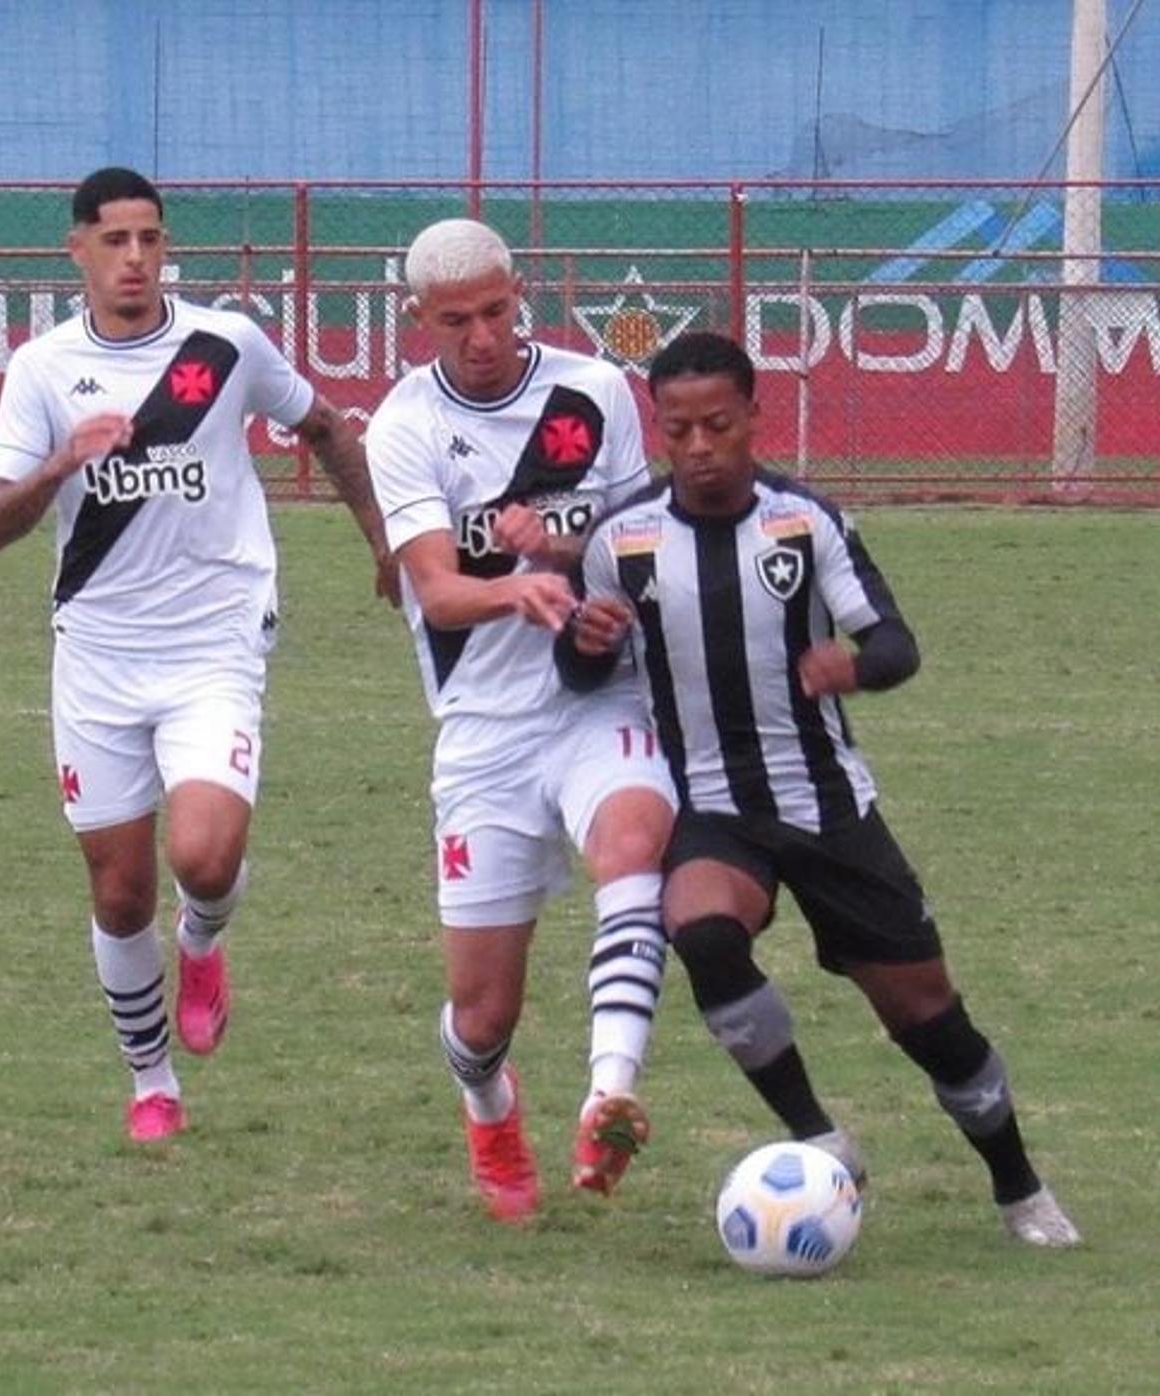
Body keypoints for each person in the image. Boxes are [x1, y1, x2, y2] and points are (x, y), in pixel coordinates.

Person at [558, 331, 1081, 1247]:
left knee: (929, 1020)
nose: (698, 446)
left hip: (830, 808)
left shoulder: (804, 522)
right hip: (717, 812)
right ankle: (817, 1134)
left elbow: (895, 643)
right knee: (703, 934)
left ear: (755, 417)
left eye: (718, 424)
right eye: (677, 428)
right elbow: (580, 678)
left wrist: (855, 666)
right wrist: (585, 641)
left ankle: (1020, 1187)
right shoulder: (622, 541)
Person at [0, 167, 395, 1143]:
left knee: (202, 857)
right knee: (119, 892)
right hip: (99, 650)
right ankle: (150, 1079)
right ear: (76, 249)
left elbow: (325, 427)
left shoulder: (226, 343)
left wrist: (384, 545)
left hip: (215, 633)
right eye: (114, 241)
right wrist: (59, 462)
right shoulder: (43, 369)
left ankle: (204, 937)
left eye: (150, 239)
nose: (135, 259)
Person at [365, 219, 677, 1222]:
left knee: (637, 839)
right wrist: (522, 585)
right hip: (485, 728)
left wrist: (578, 566)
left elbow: (641, 542)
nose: (484, 335)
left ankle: (608, 1090)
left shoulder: (593, 393)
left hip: (596, 694)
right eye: (457, 320)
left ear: (519, 293)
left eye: (497, 310)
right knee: (483, 1013)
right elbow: (437, 591)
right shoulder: (403, 427)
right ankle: (487, 1103)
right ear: (421, 320)